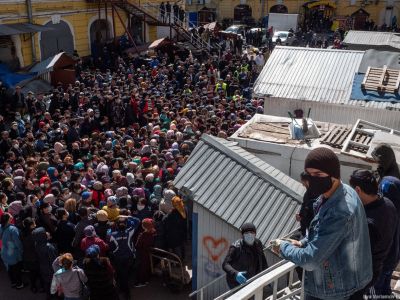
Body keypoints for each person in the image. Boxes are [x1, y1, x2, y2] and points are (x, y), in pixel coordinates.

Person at [274, 147, 372, 300]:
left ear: (334, 175)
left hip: (336, 290)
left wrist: (282, 247)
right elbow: (324, 233)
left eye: (318, 174)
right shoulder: (341, 191)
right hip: (346, 278)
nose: (313, 179)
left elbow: (311, 260)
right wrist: (302, 243)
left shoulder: (340, 211)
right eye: (310, 174)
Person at [349, 170, 398, 297]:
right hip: (386, 260)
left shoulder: (368, 222)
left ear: (358, 190)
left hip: (368, 274)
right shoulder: (388, 203)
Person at [222, 222, 268, 289]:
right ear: (242, 235)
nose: (249, 235)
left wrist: (266, 275)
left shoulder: (258, 244)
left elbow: (263, 261)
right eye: (246, 233)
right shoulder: (236, 247)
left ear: (255, 234)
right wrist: (236, 274)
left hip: (253, 279)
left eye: (252, 232)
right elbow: (225, 264)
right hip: (236, 282)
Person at [0, 213, 24, 289]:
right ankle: (19, 284)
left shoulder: (0, 227)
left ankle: (13, 283)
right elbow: (18, 243)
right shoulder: (13, 229)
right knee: (16, 270)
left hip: (4, 251)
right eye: (11, 217)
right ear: (8, 219)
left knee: (9, 269)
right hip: (13, 253)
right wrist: (21, 251)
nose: (12, 217)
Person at [134, 218, 156, 287]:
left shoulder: (142, 235)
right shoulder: (153, 233)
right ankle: (146, 280)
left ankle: (141, 282)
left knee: (141, 268)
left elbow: (137, 245)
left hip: (142, 253)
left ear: (144, 226)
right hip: (149, 253)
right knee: (147, 267)